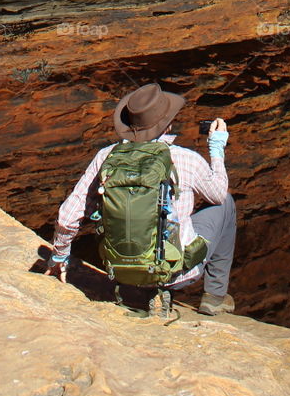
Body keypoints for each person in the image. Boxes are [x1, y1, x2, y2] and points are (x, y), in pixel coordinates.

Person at [46, 82, 236, 316]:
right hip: (178, 272)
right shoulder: (187, 159)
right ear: (168, 123)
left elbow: (67, 217)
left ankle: (140, 290)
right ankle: (215, 296)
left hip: (121, 272)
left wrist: (59, 256)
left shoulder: (106, 157)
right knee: (226, 203)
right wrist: (217, 149)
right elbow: (216, 193)